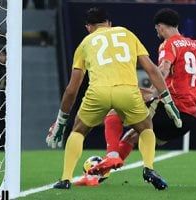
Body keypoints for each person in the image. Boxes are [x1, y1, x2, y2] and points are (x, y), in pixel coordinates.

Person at [85, 8, 196, 185]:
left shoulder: (168, 44)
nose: (156, 32)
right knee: (132, 137)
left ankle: (111, 156)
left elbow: (163, 69)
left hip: (169, 109)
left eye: (156, 29)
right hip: (187, 120)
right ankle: (105, 174)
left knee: (115, 108)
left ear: (160, 27)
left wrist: (152, 93)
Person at [45, 7, 181, 190]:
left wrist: (61, 120)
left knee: (78, 131)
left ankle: (65, 178)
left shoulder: (85, 43)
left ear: (88, 27)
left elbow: (72, 89)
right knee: (146, 127)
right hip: (127, 91)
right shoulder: (127, 34)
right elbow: (152, 70)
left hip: (98, 92)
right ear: (109, 23)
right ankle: (148, 167)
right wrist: (168, 100)